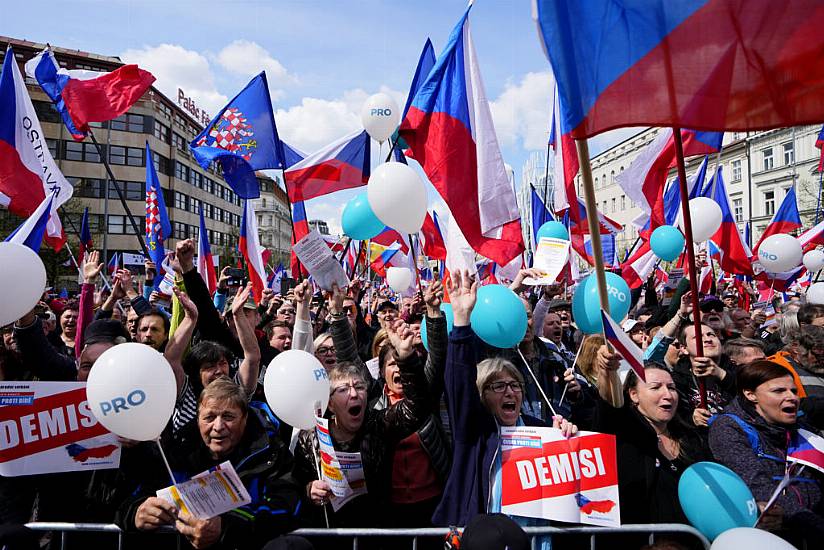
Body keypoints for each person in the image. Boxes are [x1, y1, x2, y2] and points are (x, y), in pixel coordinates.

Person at [433, 270, 577, 535]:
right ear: (483, 394)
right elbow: (459, 385)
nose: (510, 393)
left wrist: (565, 437)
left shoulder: (541, 430)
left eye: (515, 386)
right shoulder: (475, 432)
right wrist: (462, 322)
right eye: (499, 386)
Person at [123, 378, 304, 549]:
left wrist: (226, 526)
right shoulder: (176, 452)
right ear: (197, 419)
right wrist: (136, 513)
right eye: (209, 417)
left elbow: (287, 507)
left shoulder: (270, 453)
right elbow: (128, 501)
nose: (218, 426)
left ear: (245, 418)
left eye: (228, 417)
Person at [294, 319, 429, 532]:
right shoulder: (310, 438)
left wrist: (406, 358)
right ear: (329, 402)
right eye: (343, 390)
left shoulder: (379, 426)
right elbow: (294, 483)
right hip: (329, 535)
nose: (354, 394)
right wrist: (309, 489)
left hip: (376, 533)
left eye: (359, 387)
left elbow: (418, 408)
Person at [708, 360, 824, 542]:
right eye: (779, 391)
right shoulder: (728, 427)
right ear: (750, 394)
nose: (792, 397)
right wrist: (813, 524)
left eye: (793, 391)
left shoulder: (801, 430)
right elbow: (759, 487)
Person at [591, 350, 710, 526]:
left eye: (671, 387)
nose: (667, 395)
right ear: (633, 395)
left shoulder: (692, 438)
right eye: (655, 387)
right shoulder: (624, 434)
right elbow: (609, 405)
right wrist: (606, 371)